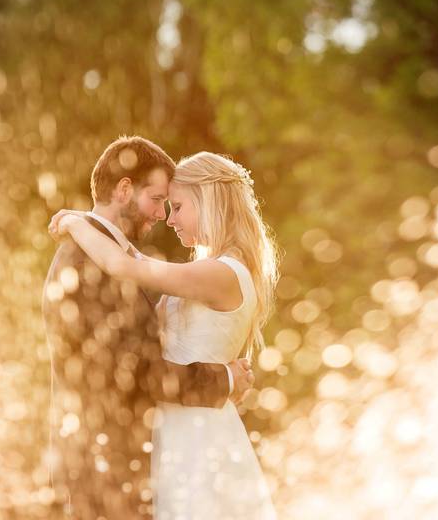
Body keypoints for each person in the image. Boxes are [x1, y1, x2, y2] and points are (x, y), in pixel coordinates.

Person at [50, 150, 278, 519]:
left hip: (196, 433)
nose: (169, 219)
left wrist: (77, 223)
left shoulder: (221, 273)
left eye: (177, 206)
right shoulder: (208, 271)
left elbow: (122, 264)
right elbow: (136, 263)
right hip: (176, 428)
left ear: (209, 203)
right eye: (164, 204)